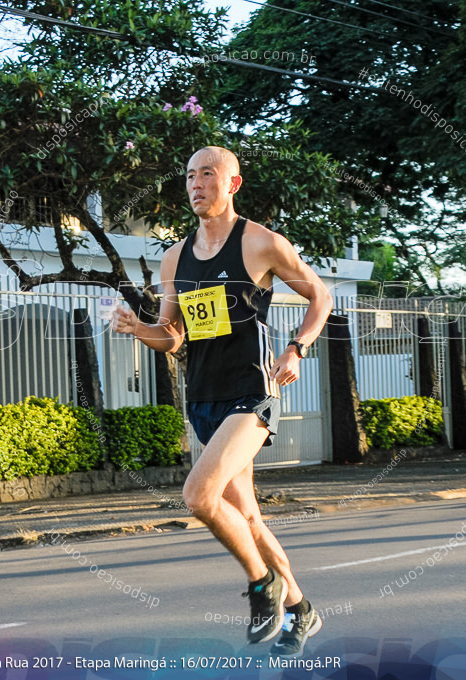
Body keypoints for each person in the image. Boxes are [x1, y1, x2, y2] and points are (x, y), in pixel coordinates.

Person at [112, 146, 331, 657]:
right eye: (189, 175)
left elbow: (320, 295)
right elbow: (173, 337)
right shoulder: (175, 257)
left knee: (198, 497)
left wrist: (298, 348)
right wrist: (140, 328)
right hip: (203, 399)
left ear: (232, 184)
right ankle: (302, 611)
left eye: (208, 174)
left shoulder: (260, 243)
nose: (196, 184)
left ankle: (263, 587)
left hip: (252, 394)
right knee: (247, 518)